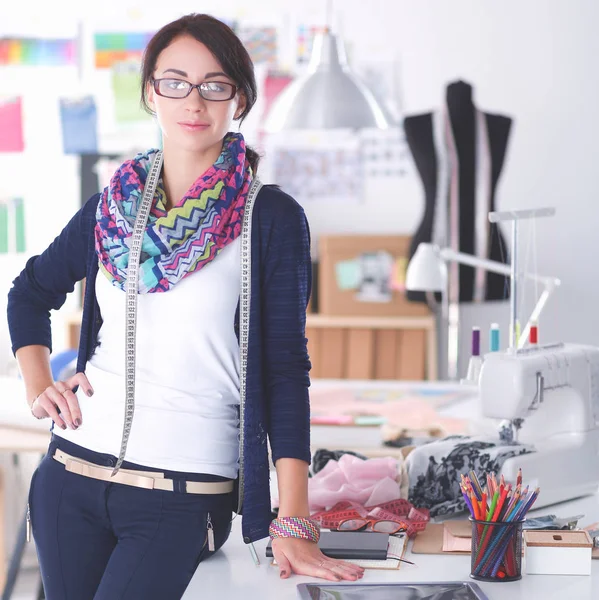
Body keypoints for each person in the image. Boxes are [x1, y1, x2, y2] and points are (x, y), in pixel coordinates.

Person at [7, 14, 364, 600]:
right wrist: (37, 381)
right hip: (70, 475)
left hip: (181, 493)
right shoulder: (111, 208)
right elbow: (30, 291)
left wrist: (293, 520)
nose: (193, 101)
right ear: (150, 91)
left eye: (214, 85)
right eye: (174, 82)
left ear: (239, 100)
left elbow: (284, 373)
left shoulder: (268, 218)